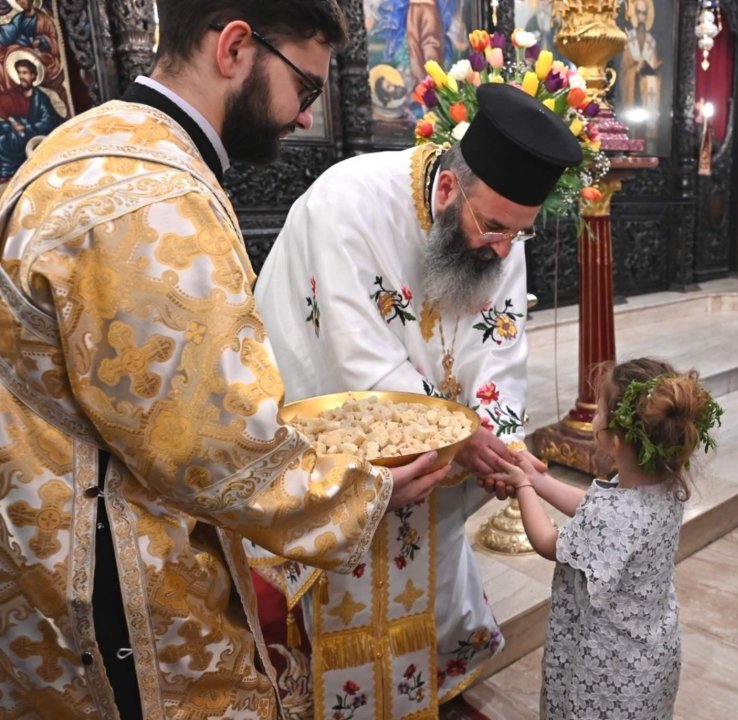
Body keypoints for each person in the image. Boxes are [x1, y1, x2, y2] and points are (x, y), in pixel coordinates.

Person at [0, 1, 451, 718]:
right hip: (110, 576)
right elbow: (213, 445)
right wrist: (365, 494)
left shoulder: (93, 141)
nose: (306, 115)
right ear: (235, 47)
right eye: (306, 86)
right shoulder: (154, 199)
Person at [253, 82, 583, 719]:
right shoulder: (348, 204)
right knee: (346, 580)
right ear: (449, 187)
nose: (503, 249)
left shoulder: (501, 226)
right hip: (341, 433)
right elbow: (355, 355)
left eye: (520, 234)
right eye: (494, 228)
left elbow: (500, 342)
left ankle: (418, 687)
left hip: (438, 450)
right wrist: (463, 437)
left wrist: (501, 441)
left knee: (428, 567)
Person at [487, 358, 723, 719]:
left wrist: (522, 486)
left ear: (613, 439)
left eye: (598, 410)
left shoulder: (612, 514)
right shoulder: (666, 488)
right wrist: (539, 481)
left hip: (606, 672)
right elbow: (595, 507)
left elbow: (548, 542)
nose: (594, 416)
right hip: (648, 657)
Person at [0, 54, 63, 180]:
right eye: (19, 73)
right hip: (16, 129)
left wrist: (26, 127)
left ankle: (9, 171)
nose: (21, 76)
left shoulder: (41, 98)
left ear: (33, 76)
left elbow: (47, 121)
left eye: (25, 73)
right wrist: (12, 122)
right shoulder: (14, 93)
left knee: (4, 140)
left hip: (32, 133)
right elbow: (2, 107)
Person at [619, 0, 662, 144]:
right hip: (633, 92)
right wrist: (634, 70)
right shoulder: (628, 39)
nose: (642, 17)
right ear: (634, 14)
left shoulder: (651, 42)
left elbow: (655, 68)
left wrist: (652, 71)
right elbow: (624, 68)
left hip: (646, 93)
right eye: (638, 12)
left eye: (644, 13)